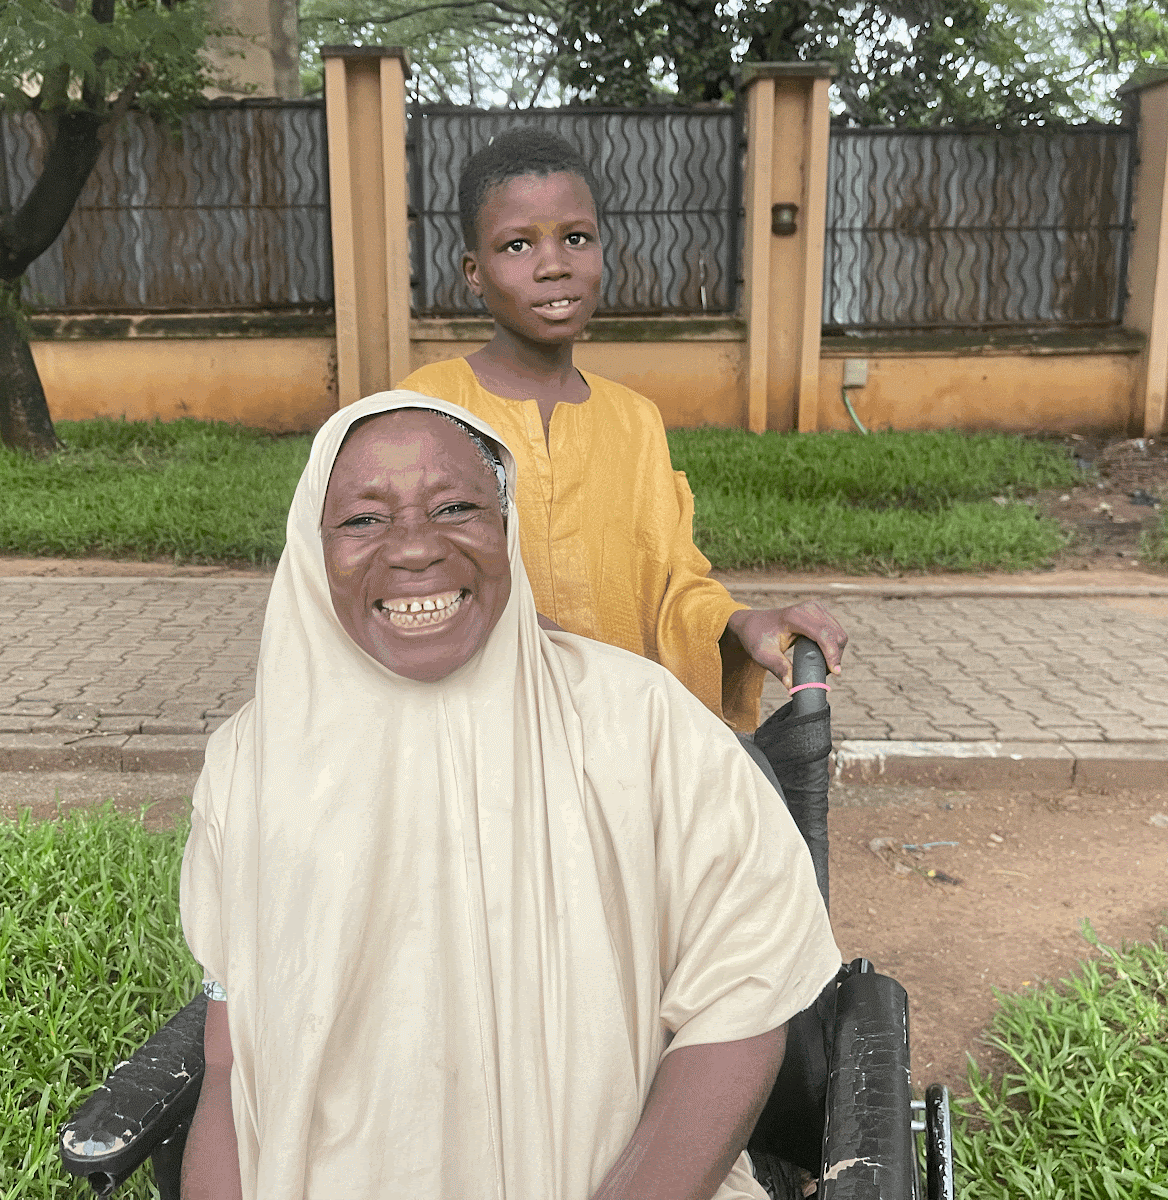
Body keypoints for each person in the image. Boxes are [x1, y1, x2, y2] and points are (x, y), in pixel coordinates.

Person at [177, 392, 840, 1200]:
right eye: (361, 521)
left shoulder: (641, 723)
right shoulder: (249, 765)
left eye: (455, 507)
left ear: (505, 527)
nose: (414, 549)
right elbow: (227, 1060)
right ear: (311, 549)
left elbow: (740, 1008)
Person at [397, 128, 848, 735]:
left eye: (576, 238)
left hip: (617, 744)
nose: (554, 266)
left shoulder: (634, 421)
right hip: (468, 743)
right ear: (473, 272)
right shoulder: (423, 408)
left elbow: (674, 589)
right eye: (517, 246)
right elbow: (399, 576)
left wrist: (742, 625)